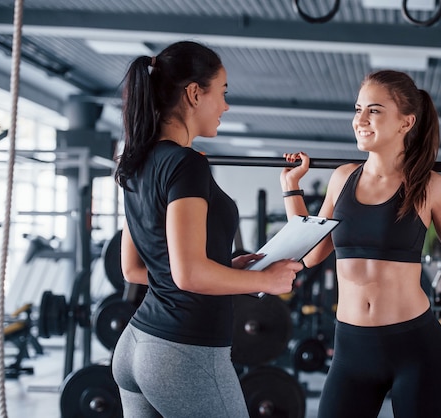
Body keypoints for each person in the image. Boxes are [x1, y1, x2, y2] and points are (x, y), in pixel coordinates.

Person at [281, 70, 441, 418]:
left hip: (414, 348)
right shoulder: (342, 178)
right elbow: (310, 255)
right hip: (351, 350)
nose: (360, 120)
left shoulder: (431, 186)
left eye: (374, 110)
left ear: (406, 122)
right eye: (358, 109)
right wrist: (291, 188)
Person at [111, 41, 303, 418]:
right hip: (182, 353)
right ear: (195, 93)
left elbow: (134, 269)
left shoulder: (137, 160)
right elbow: (188, 274)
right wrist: (266, 282)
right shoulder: (186, 166)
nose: (226, 106)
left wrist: (226, 268)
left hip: (136, 345)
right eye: (223, 93)